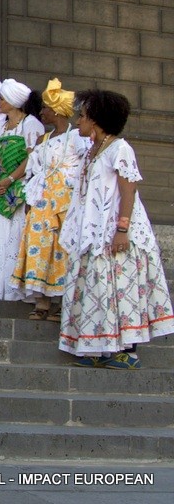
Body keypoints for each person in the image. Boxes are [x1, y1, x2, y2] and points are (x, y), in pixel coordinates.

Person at [58, 90, 174, 370]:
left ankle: (125, 351)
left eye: (83, 116)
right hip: (93, 234)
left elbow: (128, 188)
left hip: (116, 233)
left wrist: (122, 229)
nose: (78, 121)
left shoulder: (120, 148)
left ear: (96, 120)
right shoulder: (92, 150)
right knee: (97, 287)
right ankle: (96, 346)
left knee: (121, 287)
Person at [11, 79, 86, 320]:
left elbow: (86, 168)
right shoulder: (44, 139)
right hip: (42, 202)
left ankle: (63, 301)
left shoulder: (77, 137)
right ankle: (42, 300)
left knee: (63, 250)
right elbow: (32, 169)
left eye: (45, 108)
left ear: (57, 111)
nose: (42, 112)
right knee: (40, 247)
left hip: (65, 202)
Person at [0, 79, 44, 301]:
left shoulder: (31, 125)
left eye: (2, 98)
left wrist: (9, 180)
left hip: (18, 191)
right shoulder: (0, 126)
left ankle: (16, 290)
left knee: (16, 238)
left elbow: (32, 158)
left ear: (14, 102)